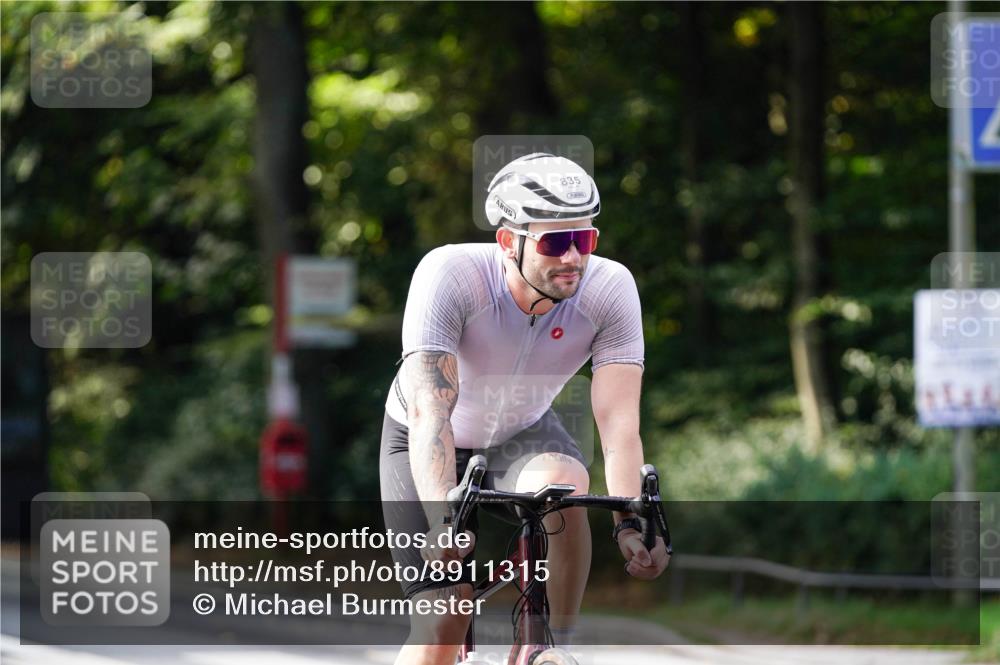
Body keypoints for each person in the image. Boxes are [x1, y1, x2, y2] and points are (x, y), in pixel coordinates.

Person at [379, 153, 669, 665]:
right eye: (555, 242)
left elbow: (619, 424)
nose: (573, 257)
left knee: (565, 488)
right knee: (444, 617)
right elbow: (430, 413)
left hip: (521, 428)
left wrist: (630, 523)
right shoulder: (451, 275)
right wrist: (443, 520)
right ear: (508, 241)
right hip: (423, 435)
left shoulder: (610, 289)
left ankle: (550, 644)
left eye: (585, 240)